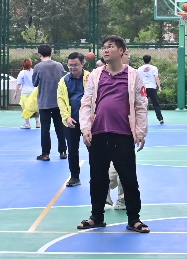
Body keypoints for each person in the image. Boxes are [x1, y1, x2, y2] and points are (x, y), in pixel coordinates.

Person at [77, 35, 149, 233]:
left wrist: (140, 131)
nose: (106, 50)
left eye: (110, 47)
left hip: (123, 134)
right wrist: (86, 128)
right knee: (97, 178)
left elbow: (141, 105)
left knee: (129, 178)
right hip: (98, 133)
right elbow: (86, 102)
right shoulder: (96, 75)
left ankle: (134, 219)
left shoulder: (133, 75)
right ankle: (96, 217)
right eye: (104, 47)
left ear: (121, 50)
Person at [59, 51, 89, 187]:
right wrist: (67, 117)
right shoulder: (63, 80)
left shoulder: (90, 77)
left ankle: (97, 176)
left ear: (82, 64)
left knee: (93, 149)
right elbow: (61, 100)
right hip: (72, 121)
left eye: (75, 65)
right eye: (70, 65)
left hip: (89, 121)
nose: (72, 68)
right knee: (72, 150)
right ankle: (74, 177)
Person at [33, 44, 68, 161]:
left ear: (39, 54)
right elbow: (64, 80)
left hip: (44, 102)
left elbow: (34, 83)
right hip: (58, 102)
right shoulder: (59, 65)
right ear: (51, 53)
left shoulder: (38, 67)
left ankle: (45, 154)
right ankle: (63, 151)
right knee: (60, 127)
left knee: (45, 129)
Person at [138, 54, 165, 125]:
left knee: (142, 104)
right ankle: (160, 118)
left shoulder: (139, 69)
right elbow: (156, 78)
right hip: (152, 88)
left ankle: (141, 119)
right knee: (155, 104)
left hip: (143, 88)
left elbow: (138, 79)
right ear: (150, 60)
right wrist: (159, 87)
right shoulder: (154, 68)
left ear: (143, 60)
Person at [16, 58, 38, 129]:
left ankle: (27, 123)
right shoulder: (34, 71)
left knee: (25, 108)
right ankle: (37, 122)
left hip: (25, 93)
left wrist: (15, 93)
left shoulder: (22, 73)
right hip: (34, 92)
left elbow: (18, 83)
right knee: (35, 108)